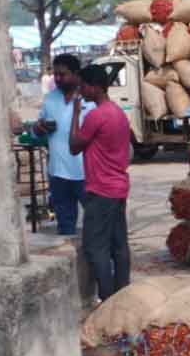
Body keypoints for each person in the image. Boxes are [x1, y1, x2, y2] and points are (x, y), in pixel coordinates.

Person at [69, 62, 131, 301]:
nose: (81, 90)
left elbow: (74, 146)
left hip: (101, 190)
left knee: (96, 247)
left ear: (94, 87)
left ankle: (107, 297)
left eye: (83, 86)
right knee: (119, 244)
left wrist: (75, 114)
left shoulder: (96, 116)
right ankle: (123, 293)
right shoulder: (118, 113)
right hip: (118, 188)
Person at [36, 54, 95, 236]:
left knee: (96, 224)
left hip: (86, 174)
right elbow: (38, 130)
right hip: (58, 174)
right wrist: (38, 129)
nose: (58, 79)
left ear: (76, 74)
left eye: (63, 74)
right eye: (56, 75)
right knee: (65, 228)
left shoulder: (90, 100)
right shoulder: (50, 99)